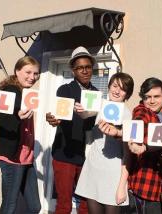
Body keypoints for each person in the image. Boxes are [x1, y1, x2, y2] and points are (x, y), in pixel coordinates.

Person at [46, 46, 98, 214]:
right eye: (80, 68)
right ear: (73, 70)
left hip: (87, 156)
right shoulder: (65, 90)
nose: (85, 71)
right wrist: (53, 119)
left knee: (85, 205)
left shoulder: (96, 94)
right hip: (65, 154)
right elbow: (59, 115)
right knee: (64, 204)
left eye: (88, 67)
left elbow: (93, 125)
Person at [75, 72, 134, 214]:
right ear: (108, 87)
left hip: (113, 175)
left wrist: (122, 186)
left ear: (127, 94)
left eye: (122, 88)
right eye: (114, 85)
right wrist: (79, 110)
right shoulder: (100, 104)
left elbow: (128, 154)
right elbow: (86, 113)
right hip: (93, 169)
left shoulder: (128, 115)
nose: (117, 90)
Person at [0, 56, 41, 214]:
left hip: (26, 159)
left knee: (35, 206)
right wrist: (17, 116)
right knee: (9, 206)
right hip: (12, 158)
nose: (32, 77)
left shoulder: (26, 93)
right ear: (17, 71)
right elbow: (4, 120)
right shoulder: (10, 90)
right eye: (28, 72)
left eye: (36, 74)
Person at [127, 77, 162, 214]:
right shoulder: (143, 111)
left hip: (160, 188)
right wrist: (133, 141)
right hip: (144, 187)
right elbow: (138, 123)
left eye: (156, 96)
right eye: (147, 97)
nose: (151, 101)